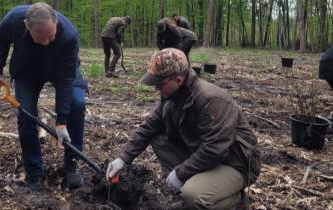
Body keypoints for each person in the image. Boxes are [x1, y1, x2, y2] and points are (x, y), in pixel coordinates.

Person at [106, 48, 261, 210]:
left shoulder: (210, 99)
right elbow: (149, 127)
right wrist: (123, 159)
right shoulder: (172, 96)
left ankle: (235, 199)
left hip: (234, 163)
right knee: (159, 139)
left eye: (160, 84)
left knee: (192, 196)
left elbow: (215, 149)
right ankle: (196, 187)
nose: (156, 88)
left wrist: (180, 174)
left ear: (178, 79)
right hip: (206, 156)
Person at [0, 2, 87, 191]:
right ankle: (34, 171)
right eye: (41, 39)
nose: (48, 42)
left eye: (52, 36)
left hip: (61, 68)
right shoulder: (15, 18)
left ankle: (72, 163)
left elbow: (66, 81)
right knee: (25, 114)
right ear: (27, 27)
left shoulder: (69, 35)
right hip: (28, 67)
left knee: (77, 103)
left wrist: (61, 122)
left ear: (56, 22)